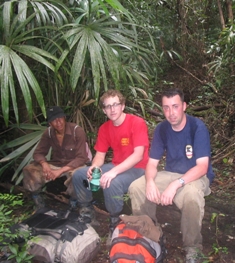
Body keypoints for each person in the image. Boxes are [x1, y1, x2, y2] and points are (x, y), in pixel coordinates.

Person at [128, 88, 215, 263]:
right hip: (170, 173)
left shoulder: (197, 127)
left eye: (175, 106)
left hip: (196, 176)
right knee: (136, 187)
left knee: (191, 195)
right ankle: (149, 234)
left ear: (184, 106)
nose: (171, 112)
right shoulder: (162, 129)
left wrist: (175, 184)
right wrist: (151, 181)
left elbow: (202, 167)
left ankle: (192, 247)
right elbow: (152, 163)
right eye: (166, 107)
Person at [72, 89, 149, 232]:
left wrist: (113, 172)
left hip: (139, 168)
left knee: (111, 182)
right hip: (117, 165)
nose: (112, 109)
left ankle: (115, 220)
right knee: (79, 175)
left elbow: (138, 155)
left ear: (123, 106)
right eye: (108, 106)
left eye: (115, 104)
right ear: (104, 110)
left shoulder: (136, 123)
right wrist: (94, 167)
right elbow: (100, 155)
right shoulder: (104, 128)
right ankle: (87, 212)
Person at [23, 106, 92, 210]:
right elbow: (38, 153)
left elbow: (81, 158)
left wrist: (61, 171)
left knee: (78, 175)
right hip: (57, 163)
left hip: (76, 164)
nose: (58, 122)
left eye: (60, 118)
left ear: (64, 117)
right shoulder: (49, 133)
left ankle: (74, 202)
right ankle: (38, 201)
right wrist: (44, 164)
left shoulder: (77, 131)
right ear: (50, 123)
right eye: (54, 120)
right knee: (29, 170)